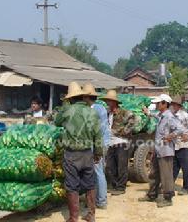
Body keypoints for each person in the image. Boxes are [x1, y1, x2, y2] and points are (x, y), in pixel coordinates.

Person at [55, 82, 103, 222]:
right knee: (90, 184)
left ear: (70, 98)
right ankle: (91, 215)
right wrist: (98, 153)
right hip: (87, 153)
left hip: (71, 154)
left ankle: (74, 217)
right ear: (82, 96)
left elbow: (57, 122)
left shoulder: (67, 110)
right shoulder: (92, 112)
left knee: (72, 186)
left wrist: (64, 105)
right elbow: (98, 135)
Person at [140, 94, 185, 207]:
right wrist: (148, 113)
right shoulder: (161, 115)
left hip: (166, 151)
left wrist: (171, 136)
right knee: (154, 173)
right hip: (158, 150)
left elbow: (180, 129)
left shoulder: (169, 116)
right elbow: (155, 116)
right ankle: (152, 194)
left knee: (166, 175)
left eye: (158, 103)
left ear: (164, 104)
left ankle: (168, 198)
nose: (156, 105)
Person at [100, 90, 135, 196]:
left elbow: (133, 120)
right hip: (110, 143)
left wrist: (123, 131)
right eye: (106, 101)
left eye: (108, 101)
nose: (107, 103)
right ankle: (114, 185)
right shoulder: (107, 113)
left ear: (114, 102)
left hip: (121, 142)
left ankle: (121, 187)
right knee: (110, 166)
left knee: (122, 166)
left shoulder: (124, 112)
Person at [83, 83, 110, 209]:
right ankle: (96, 199)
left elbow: (97, 130)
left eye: (83, 97)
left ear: (87, 97)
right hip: (101, 143)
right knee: (96, 172)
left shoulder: (95, 109)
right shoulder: (101, 108)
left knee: (98, 172)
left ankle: (101, 200)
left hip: (97, 144)